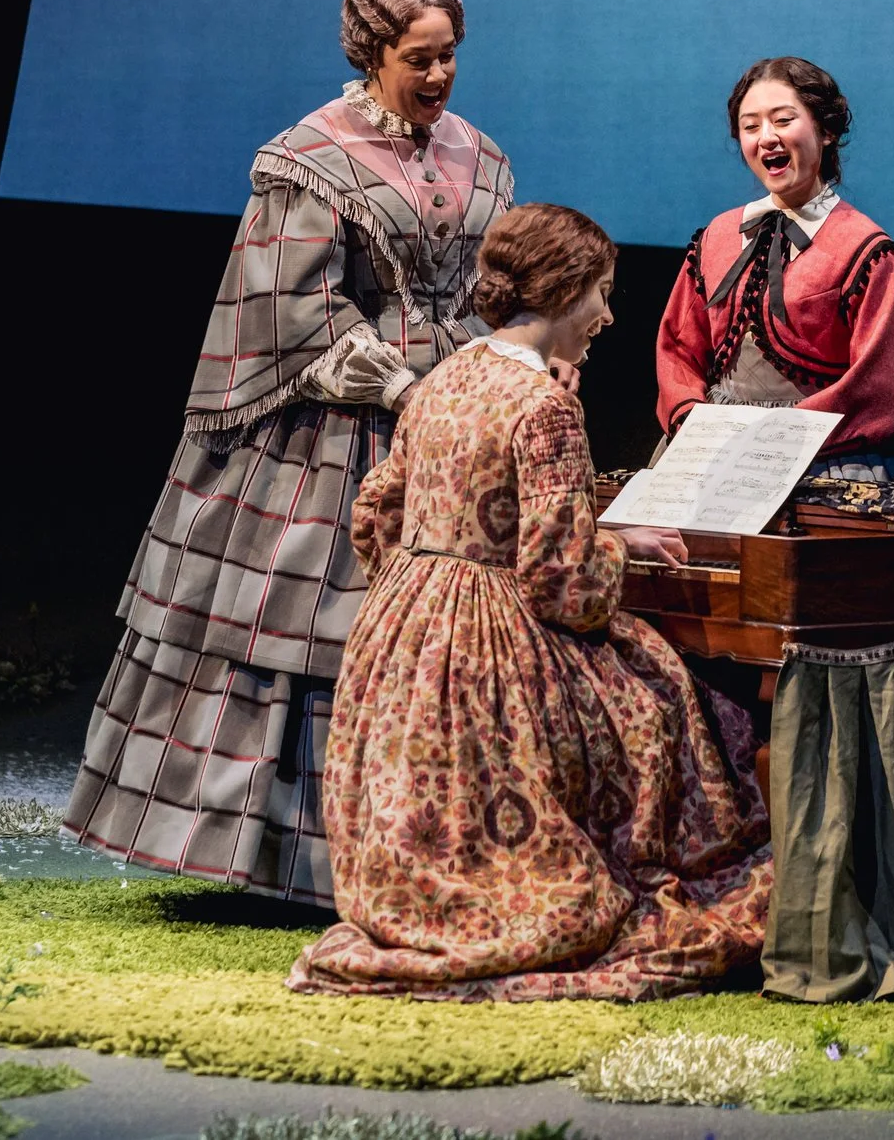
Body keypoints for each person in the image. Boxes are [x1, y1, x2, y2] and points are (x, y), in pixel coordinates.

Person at [63, 0, 513, 905]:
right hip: (339, 432)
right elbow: (295, 309)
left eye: (449, 57)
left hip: (453, 417)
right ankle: (295, 860)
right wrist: (399, 385)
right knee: (306, 630)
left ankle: (435, 848)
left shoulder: (480, 154)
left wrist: (497, 365)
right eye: (419, 59)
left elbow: (491, 285)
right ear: (372, 54)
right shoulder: (313, 158)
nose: (438, 76)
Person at [290, 204, 776, 1000]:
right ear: (565, 287)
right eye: (601, 293)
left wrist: (431, 584)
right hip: (493, 639)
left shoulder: (443, 379)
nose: (607, 315)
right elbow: (563, 582)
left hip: (403, 631)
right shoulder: (546, 405)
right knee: (661, 699)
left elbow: (378, 510)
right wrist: (619, 550)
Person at [655, 57, 894, 479]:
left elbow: (881, 380)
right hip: (716, 449)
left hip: (828, 455)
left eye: (783, 120)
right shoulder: (718, 236)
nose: (767, 137)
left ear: (827, 131)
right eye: (751, 126)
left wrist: (776, 439)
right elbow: (677, 346)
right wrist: (693, 420)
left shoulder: (868, 251)